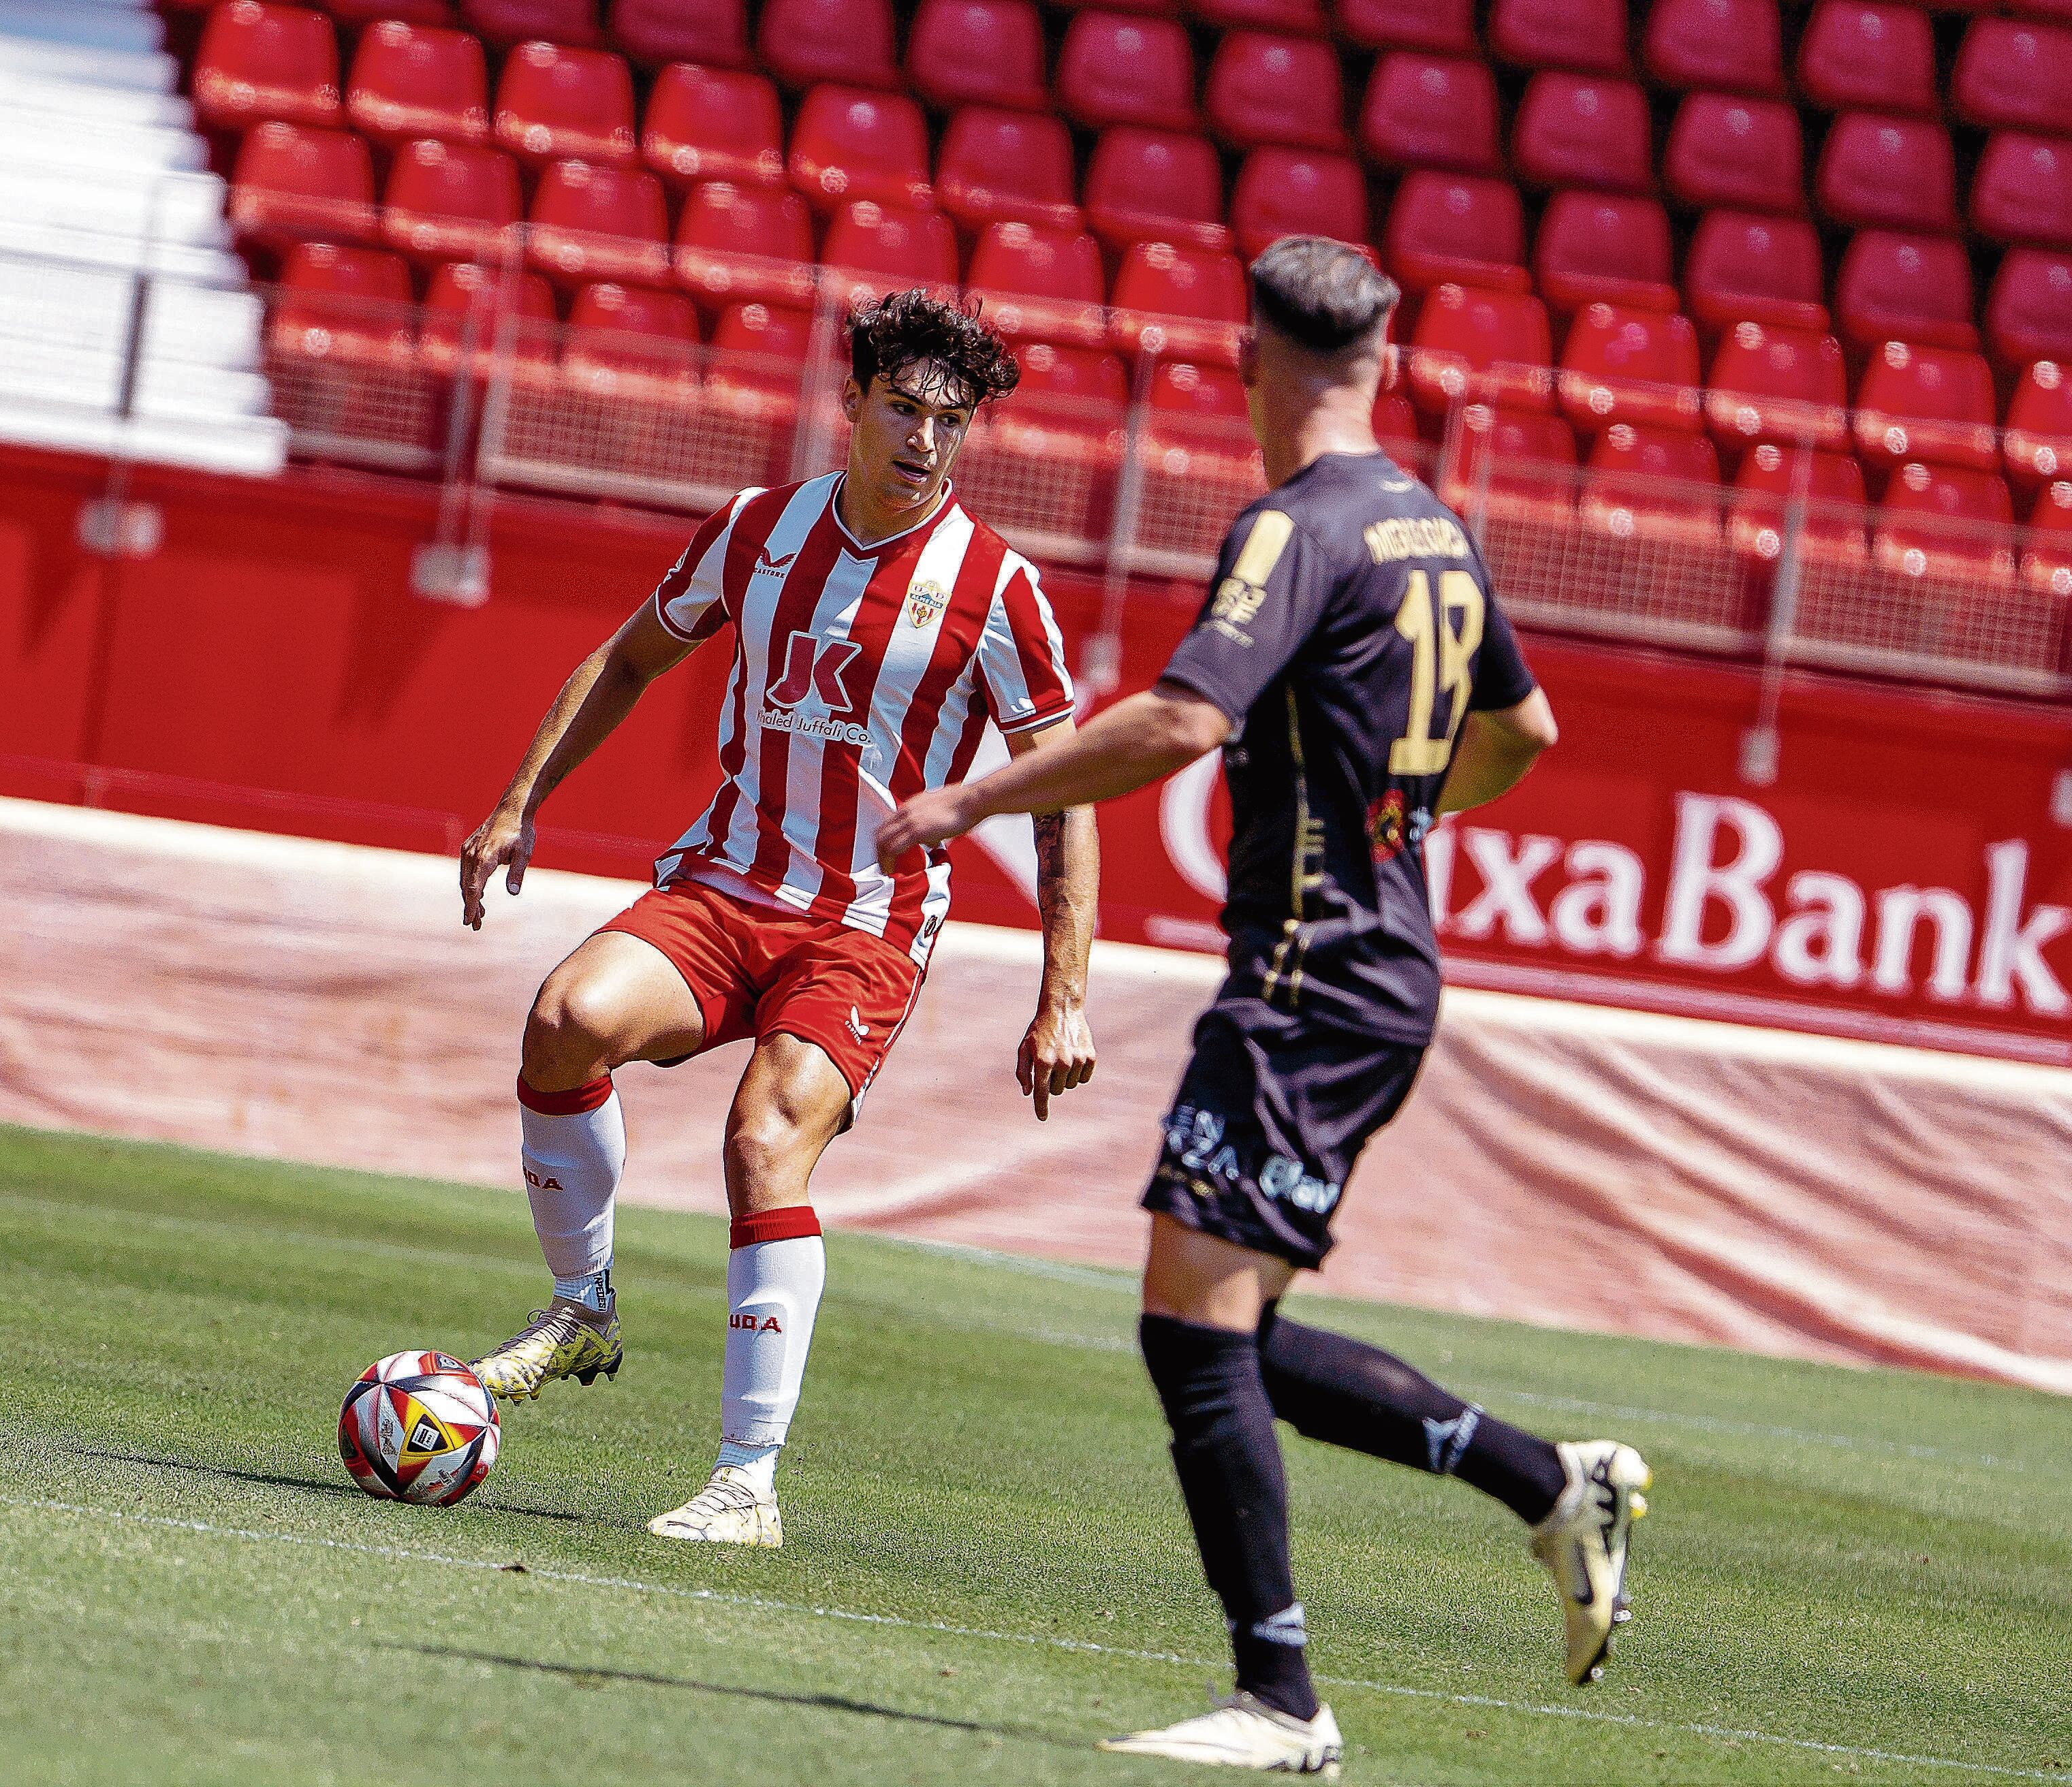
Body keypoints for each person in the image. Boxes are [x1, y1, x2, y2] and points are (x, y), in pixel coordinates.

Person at [878, 237, 1650, 1772]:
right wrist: (1406, 829)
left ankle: (1282, 1702)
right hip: (1376, 968)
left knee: (1191, 1330)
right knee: (1223, 1324)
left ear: (1251, 361)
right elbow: (1526, 726)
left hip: (1310, 979)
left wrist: (969, 796)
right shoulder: (1429, 524)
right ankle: (1550, 1484)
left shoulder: (1295, 531)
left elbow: (1179, 716)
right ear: (1378, 360)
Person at [457, 289, 1101, 1549]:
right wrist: (518, 801)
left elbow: (1064, 797)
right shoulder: (757, 531)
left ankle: (745, 1484)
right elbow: (634, 655)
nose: (924, 439)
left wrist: (1063, 993)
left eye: (950, 421)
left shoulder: (997, 588)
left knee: (764, 1141)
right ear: (851, 403)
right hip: (724, 885)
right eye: (904, 408)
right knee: (563, 1021)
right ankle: (582, 1304)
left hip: (865, 922)